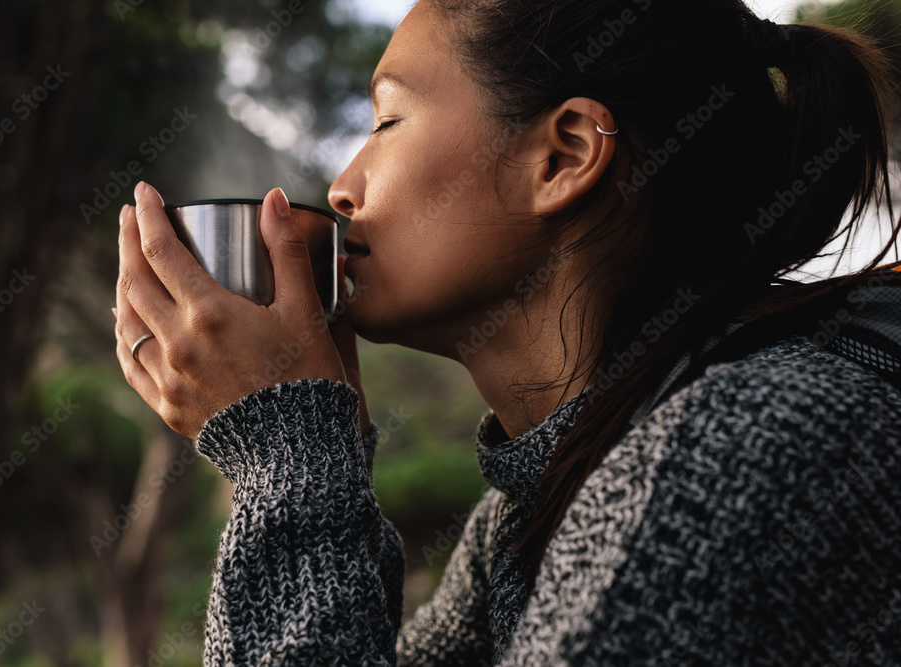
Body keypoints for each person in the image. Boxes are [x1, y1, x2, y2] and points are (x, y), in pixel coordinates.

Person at [113, 0, 901, 663]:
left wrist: (286, 452)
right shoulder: (520, 522)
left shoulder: (756, 443)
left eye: (387, 119)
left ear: (563, 157)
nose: (341, 187)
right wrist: (320, 437)